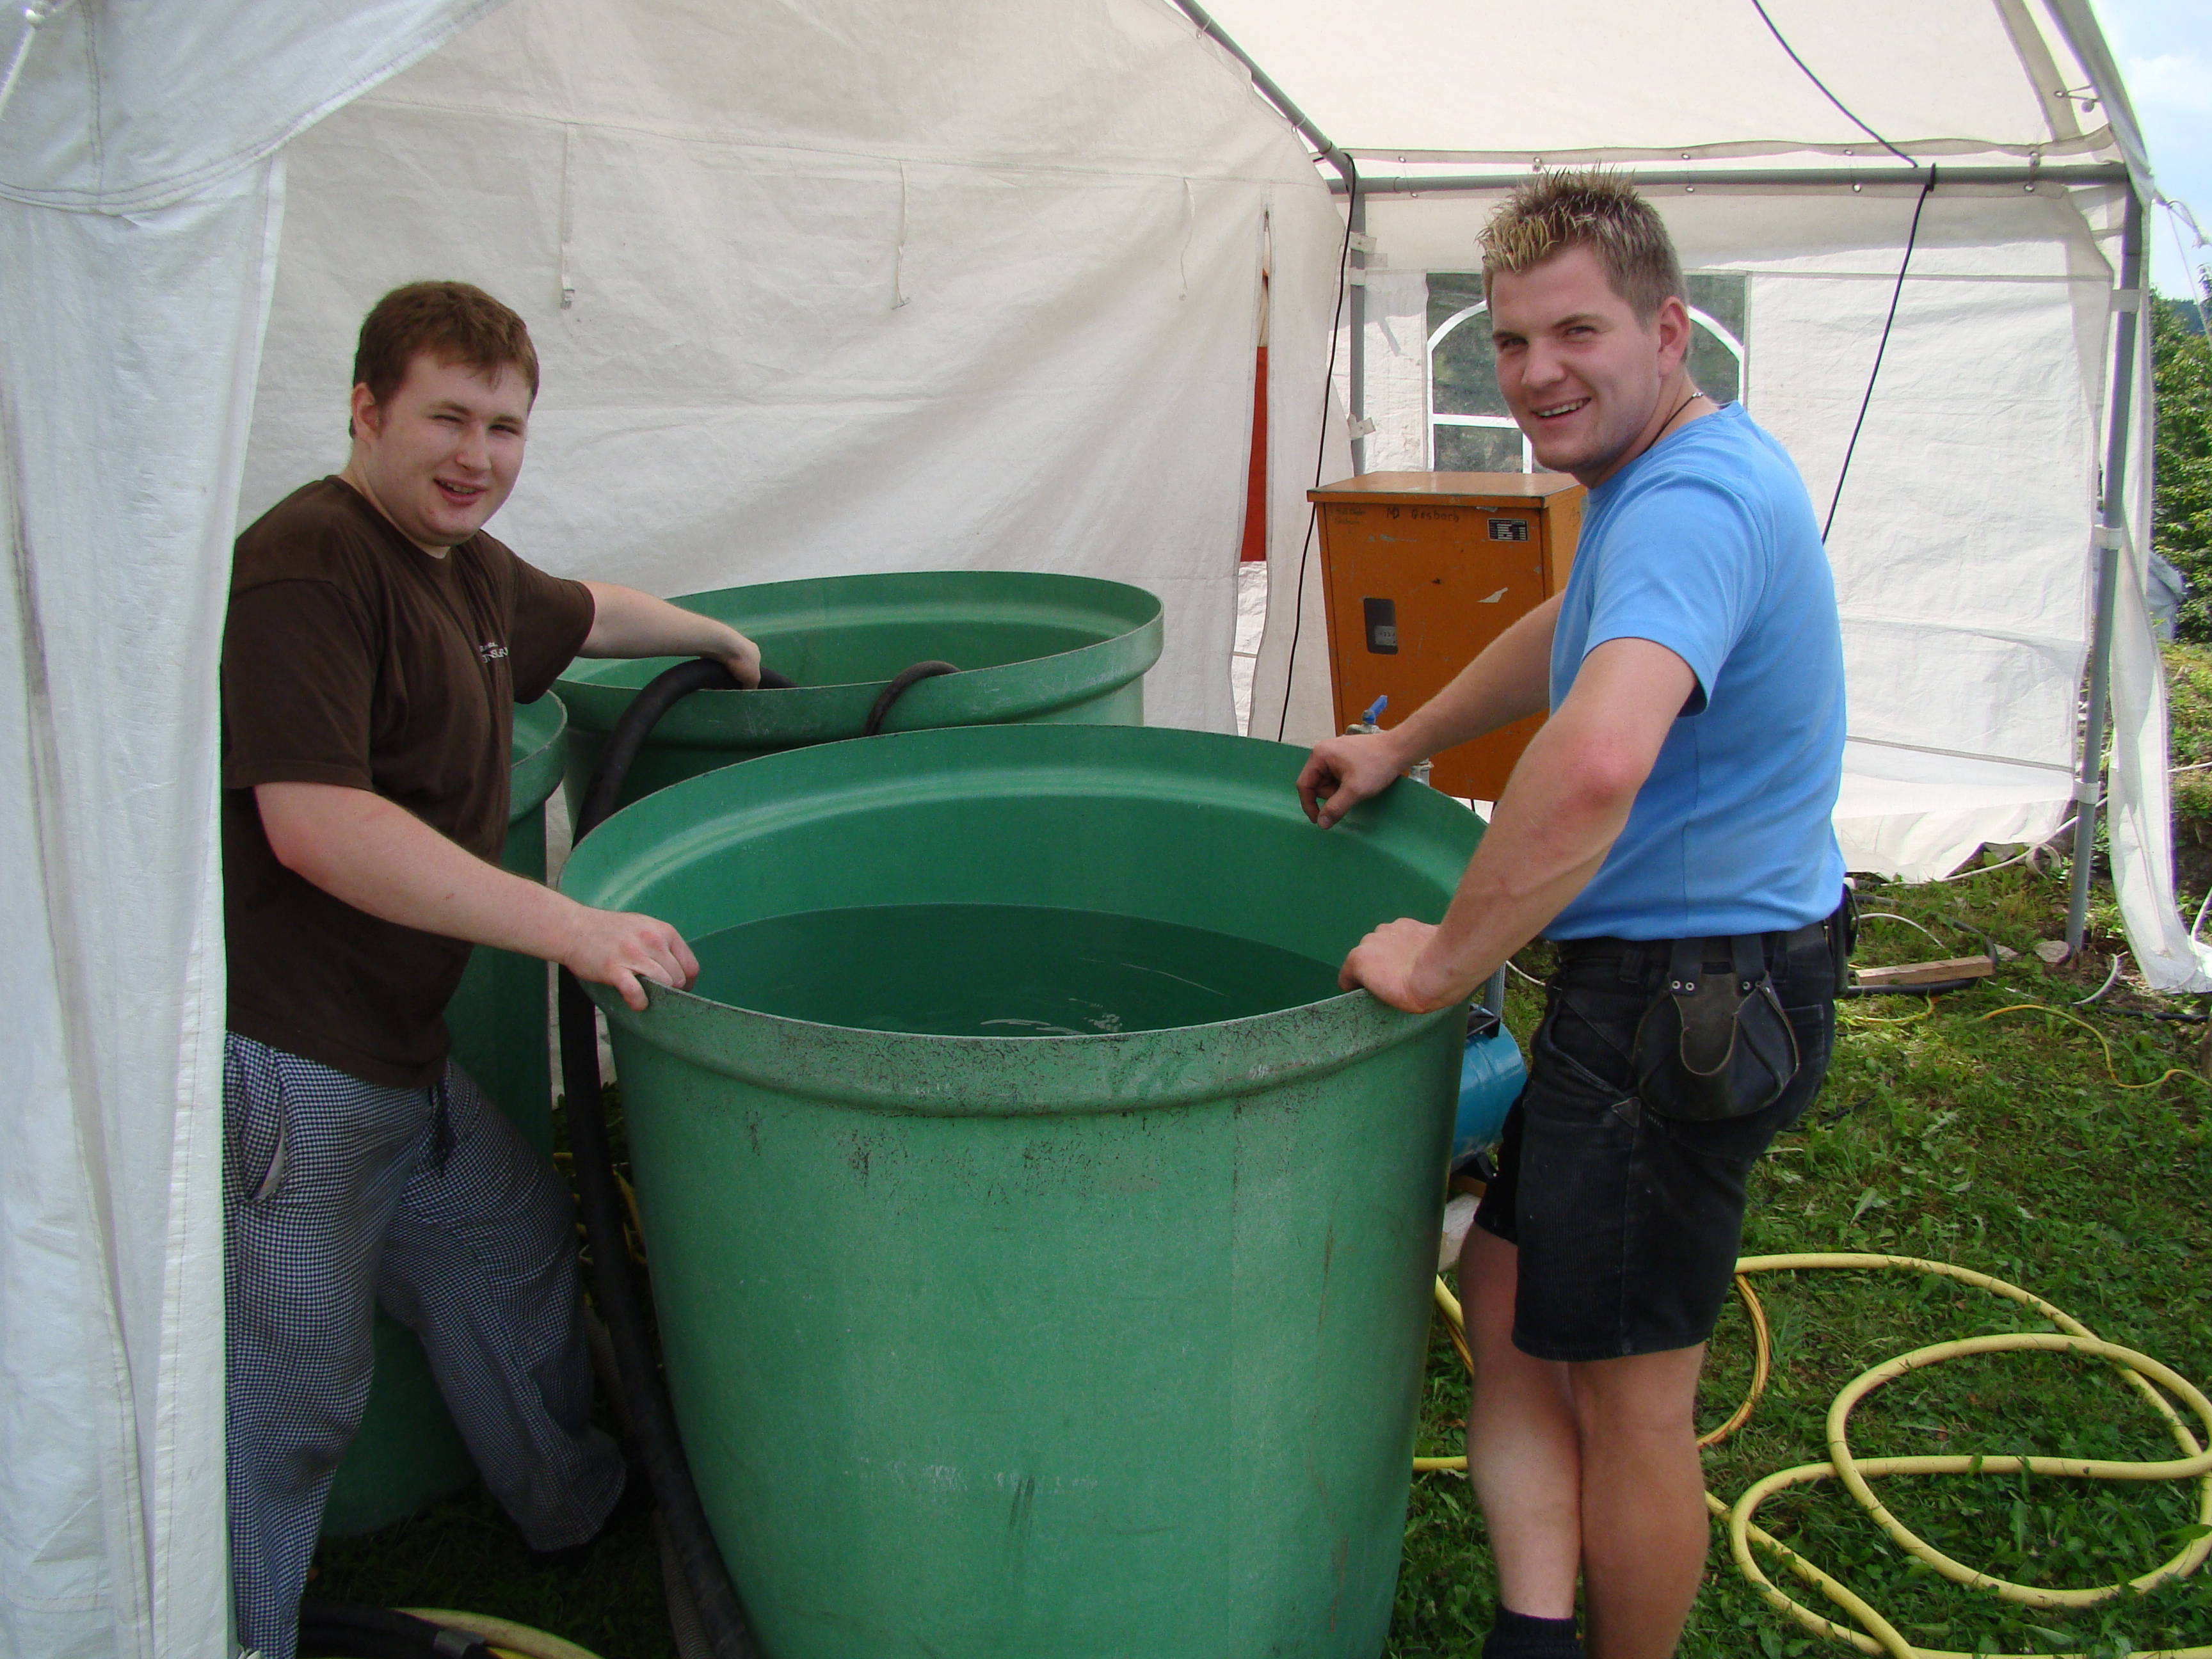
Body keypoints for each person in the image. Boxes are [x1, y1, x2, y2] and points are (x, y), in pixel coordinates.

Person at [1297, 173, 1847, 1659]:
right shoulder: (1661, 478)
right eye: (1511, 341)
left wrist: (1441, 963)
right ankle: (1536, 1632)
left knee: (1633, 1397)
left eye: (1577, 332)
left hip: (1690, 1002)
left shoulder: (1693, 504)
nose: (1536, 372)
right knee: (1502, 1279)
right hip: (1690, 978)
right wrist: (1407, 739)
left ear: (1669, 331)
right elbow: (1576, 623)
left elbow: (1599, 760)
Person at [221, 281, 766, 1659]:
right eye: (447, 419)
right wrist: (571, 926)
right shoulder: (308, 566)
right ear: (366, 410)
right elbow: (314, 823)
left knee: (513, 1244)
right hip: (290, 1058)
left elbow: (584, 613)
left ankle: (572, 1516)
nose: (478, 457)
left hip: (398, 1048)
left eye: (506, 428)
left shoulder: (458, 564)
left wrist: (713, 639)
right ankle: (229, 1629)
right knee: (290, 1397)